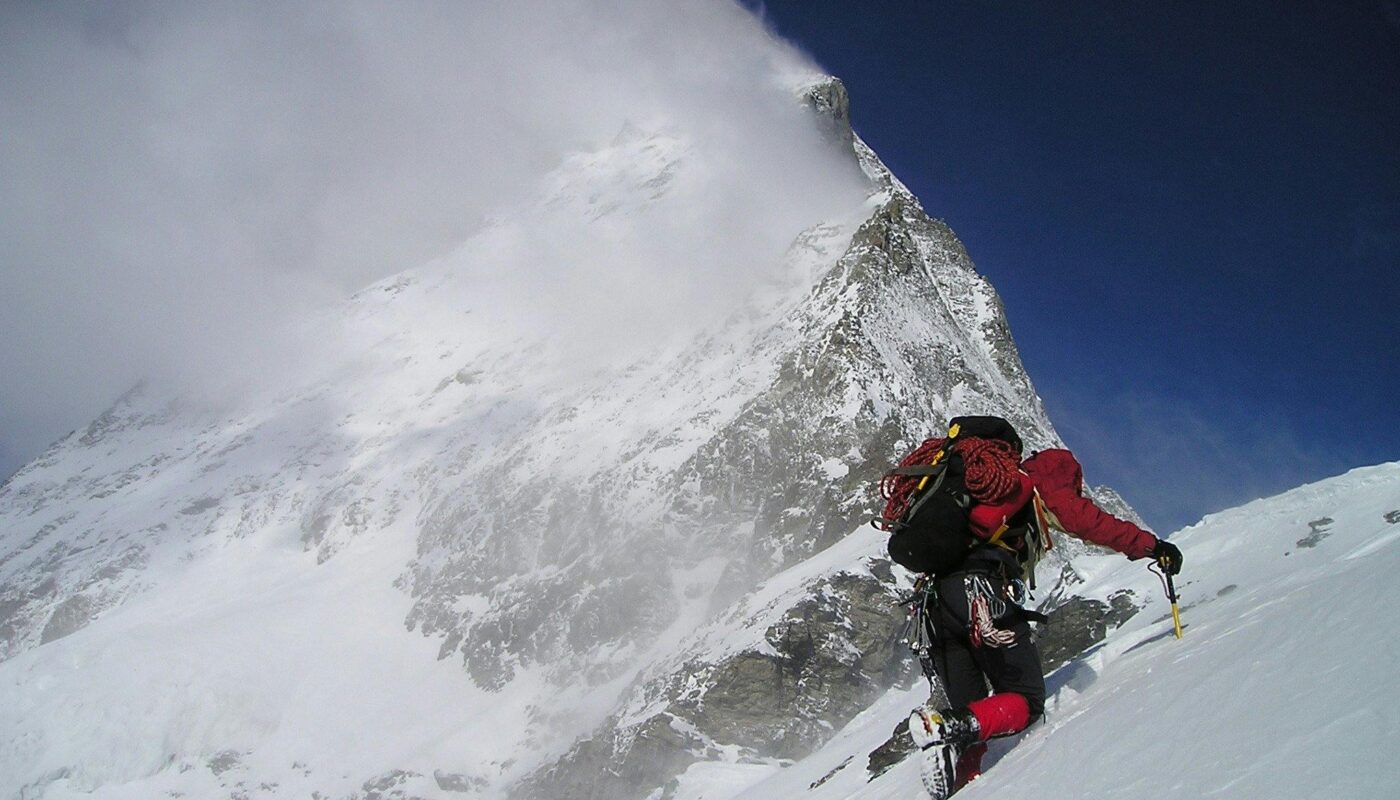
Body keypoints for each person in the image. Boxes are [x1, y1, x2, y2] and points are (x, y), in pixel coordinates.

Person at [905, 443, 1183, 797]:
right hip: (979, 594)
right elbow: (1095, 524)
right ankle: (946, 727)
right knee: (1026, 699)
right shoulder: (1043, 487)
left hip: (933, 609)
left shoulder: (985, 496)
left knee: (973, 714)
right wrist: (1153, 547)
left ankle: (960, 782)